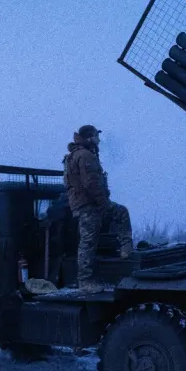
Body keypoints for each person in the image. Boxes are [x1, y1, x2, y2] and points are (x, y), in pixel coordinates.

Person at [62, 124, 133, 293]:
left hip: (84, 203)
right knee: (89, 241)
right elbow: (91, 183)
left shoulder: (75, 155)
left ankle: (125, 249)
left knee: (91, 238)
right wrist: (103, 203)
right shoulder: (85, 155)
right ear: (90, 138)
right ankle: (85, 281)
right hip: (89, 204)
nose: (99, 140)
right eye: (96, 136)